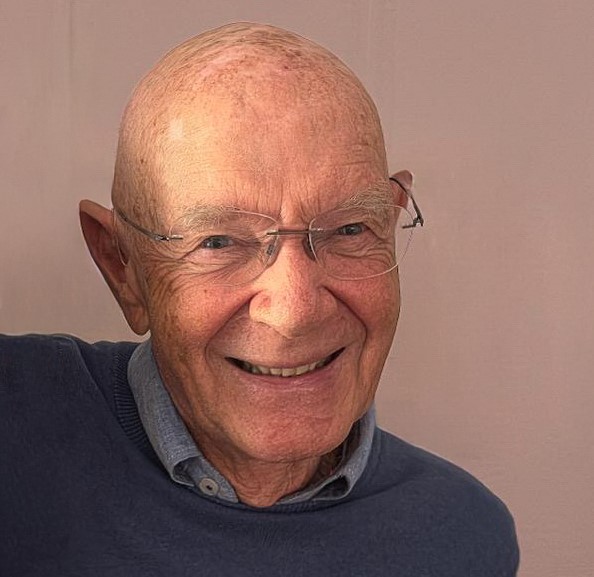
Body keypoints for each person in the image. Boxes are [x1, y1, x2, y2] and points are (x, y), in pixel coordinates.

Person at [0, 22, 519, 576]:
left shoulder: (464, 538)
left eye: (349, 229)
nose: (295, 312)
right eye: (218, 242)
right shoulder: (16, 423)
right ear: (121, 267)